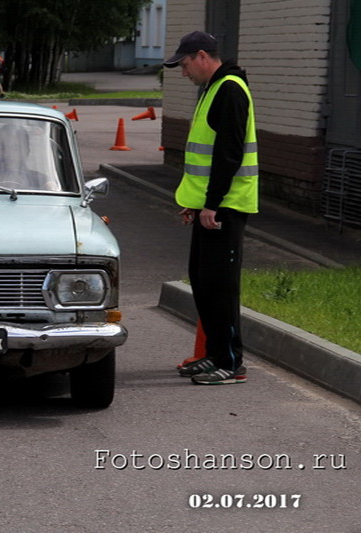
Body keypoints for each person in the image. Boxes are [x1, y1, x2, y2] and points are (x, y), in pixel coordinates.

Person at [165, 31, 259, 385]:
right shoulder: (213, 89)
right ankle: (214, 354)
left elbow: (229, 154)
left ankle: (231, 362)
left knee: (221, 286)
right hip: (211, 206)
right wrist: (194, 203)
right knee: (204, 282)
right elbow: (205, 155)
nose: (183, 72)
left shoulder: (230, 90)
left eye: (185, 64)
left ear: (202, 56)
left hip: (226, 207)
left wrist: (212, 205)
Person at [0, 124, 52, 189]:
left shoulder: (41, 181)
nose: (7, 154)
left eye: (15, 148)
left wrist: (49, 186)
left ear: (26, 151)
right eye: (2, 147)